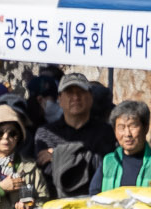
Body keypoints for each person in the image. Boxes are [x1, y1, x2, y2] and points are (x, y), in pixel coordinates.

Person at [33, 71, 117, 200]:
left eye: (81, 92)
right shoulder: (46, 133)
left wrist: (58, 154)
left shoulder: (106, 132)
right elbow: (49, 171)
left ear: (90, 97)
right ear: (59, 99)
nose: (75, 97)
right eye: (69, 92)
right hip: (55, 206)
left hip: (94, 205)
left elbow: (104, 166)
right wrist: (87, 156)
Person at [98, 100, 151, 190]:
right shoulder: (108, 161)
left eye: (133, 126)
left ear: (146, 128)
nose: (127, 134)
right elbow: (94, 194)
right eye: (121, 127)